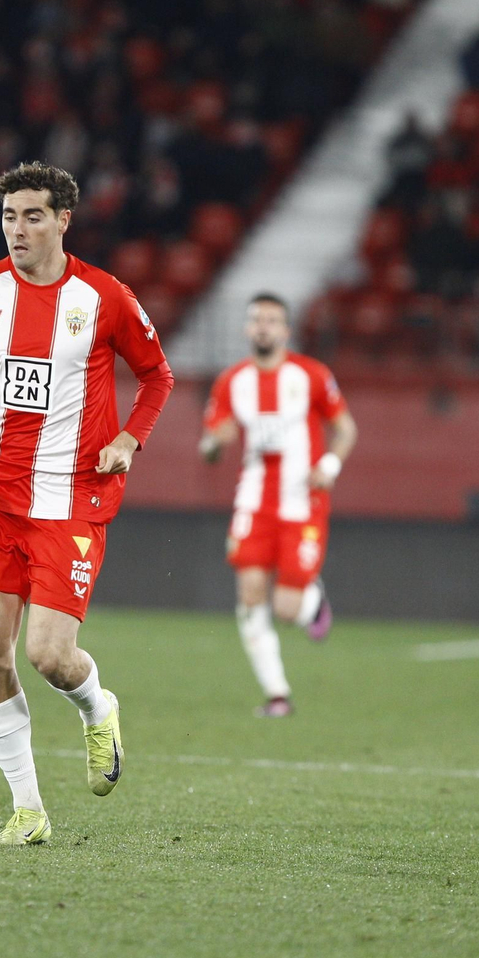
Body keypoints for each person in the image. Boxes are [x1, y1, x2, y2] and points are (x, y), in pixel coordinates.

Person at [0, 161, 174, 846]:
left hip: (72, 500)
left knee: (47, 654)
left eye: (33, 216)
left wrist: (130, 439)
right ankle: (29, 811)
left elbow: (157, 376)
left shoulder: (103, 297)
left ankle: (98, 707)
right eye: (9, 216)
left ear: (63, 220)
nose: (18, 229)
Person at [199, 294, 357, 717]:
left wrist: (329, 464)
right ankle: (277, 695)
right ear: (247, 328)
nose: (264, 326)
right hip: (254, 502)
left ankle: (313, 603)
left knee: (287, 609)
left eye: (272, 320)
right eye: (257, 319)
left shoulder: (311, 375)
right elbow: (209, 447)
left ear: (286, 330)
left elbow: (345, 428)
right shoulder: (232, 382)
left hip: (302, 500)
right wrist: (215, 443)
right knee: (250, 594)